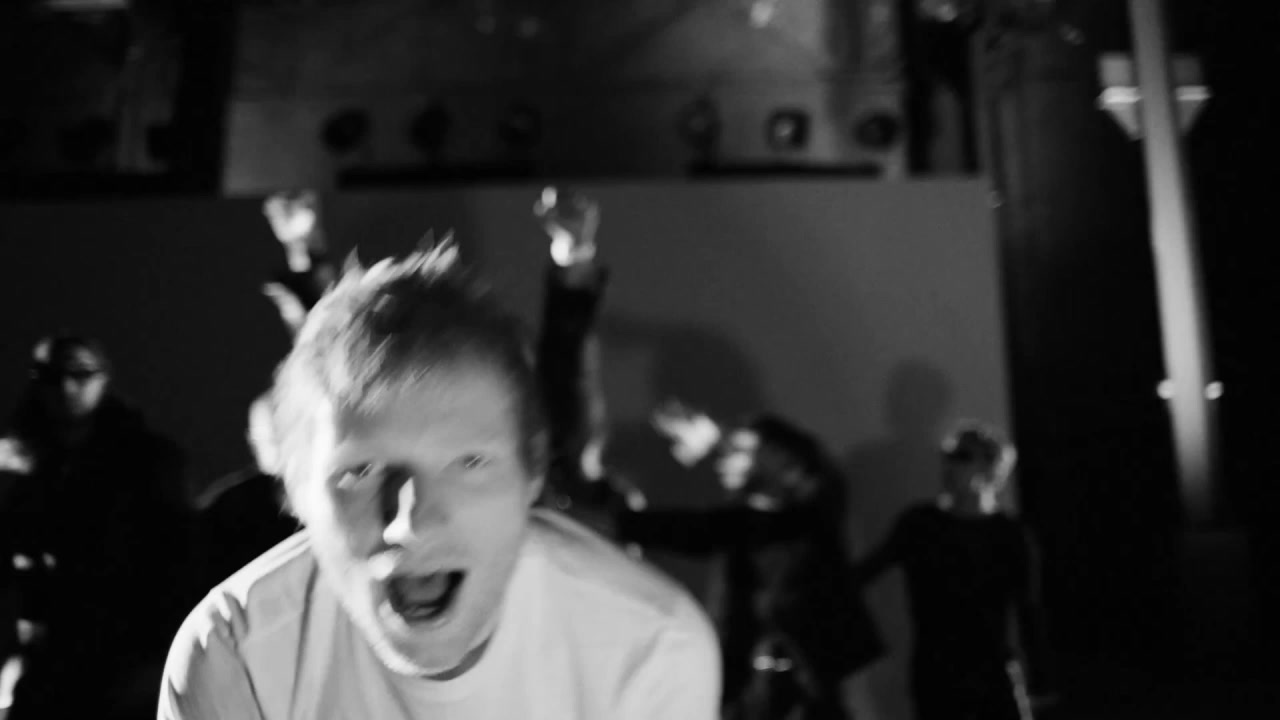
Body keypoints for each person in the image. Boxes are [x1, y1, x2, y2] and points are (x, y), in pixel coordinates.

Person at [159, 241, 721, 719]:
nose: (410, 522)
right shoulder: (237, 653)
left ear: (532, 476)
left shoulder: (649, 650)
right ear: (295, 492)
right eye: (361, 471)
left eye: (468, 463)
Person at [616, 404, 883, 720]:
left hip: (800, 691)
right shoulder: (755, 529)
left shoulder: (801, 522)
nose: (726, 458)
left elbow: (701, 530)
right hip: (761, 688)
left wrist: (611, 522)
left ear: (788, 465)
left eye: (744, 450)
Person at [0, 334, 188, 719]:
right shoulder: (14, 463)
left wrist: (157, 655)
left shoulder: (146, 462)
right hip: (44, 658)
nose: (66, 388)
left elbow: (177, 561)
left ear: (104, 378)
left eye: (80, 374)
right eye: (51, 376)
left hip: (123, 657)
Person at [853, 421, 1054, 720]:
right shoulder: (920, 524)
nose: (949, 466)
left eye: (962, 457)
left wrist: (1039, 677)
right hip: (936, 672)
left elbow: (1028, 609)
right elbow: (864, 573)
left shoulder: (1009, 535)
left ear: (991, 469)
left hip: (991, 671)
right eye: (948, 456)